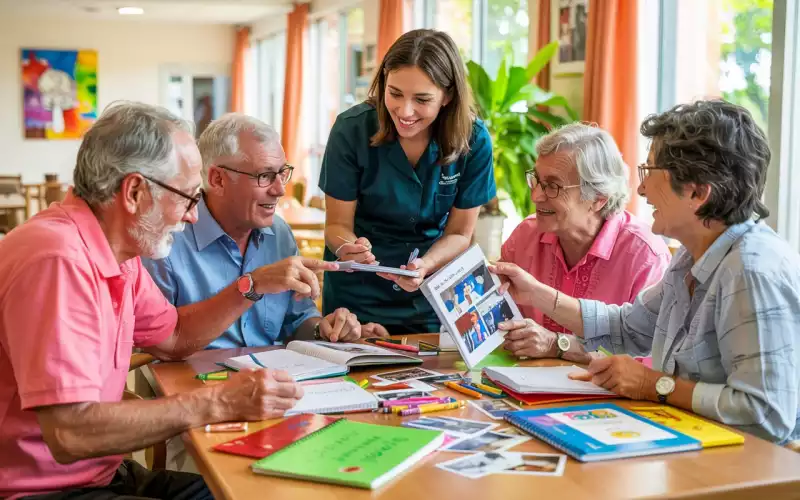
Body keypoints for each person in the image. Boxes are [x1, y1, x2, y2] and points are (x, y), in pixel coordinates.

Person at [0, 102, 310, 499]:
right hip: (38, 491)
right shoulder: (58, 259)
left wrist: (249, 286)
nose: (194, 217)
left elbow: (175, 335)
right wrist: (219, 402)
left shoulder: (117, 252)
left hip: (96, 476)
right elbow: (70, 431)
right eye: (187, 198)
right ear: (134, 192)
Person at [491, 100, 800, 444]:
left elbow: (766, 414)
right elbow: (628, 327)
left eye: (649, 173)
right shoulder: (691, 256)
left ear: (697, 193)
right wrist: (537, 293)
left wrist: (653, 385)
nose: (639, 189)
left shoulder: (752, 271)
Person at [319, 29, 496, 335]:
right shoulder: (351, 130)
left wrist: (426, 265)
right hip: (356, 296)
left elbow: (460, 233)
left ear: (448, 96)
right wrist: (350, 247)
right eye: (395, 93)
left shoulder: (474, 140)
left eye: (422, 99)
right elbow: (336, 226)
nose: (405, 111)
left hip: (430, 292)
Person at [143, 113, 363, 348]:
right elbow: (158, 343)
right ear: (217, 179)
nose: (279, 190)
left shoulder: (279, 234)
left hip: (270, 377)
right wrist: (252, 284)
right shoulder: (165, 240)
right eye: (265, 176)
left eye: (282, 173)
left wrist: (326, 330)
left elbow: (296, 320)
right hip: (192, 381)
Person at [499, 123, 671, 363]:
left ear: (598, 199)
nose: (536, 195)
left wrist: (556, 345)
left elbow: (648, 357)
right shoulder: (525, 236)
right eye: (536, 180)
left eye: (552, 186)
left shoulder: (644, 256)